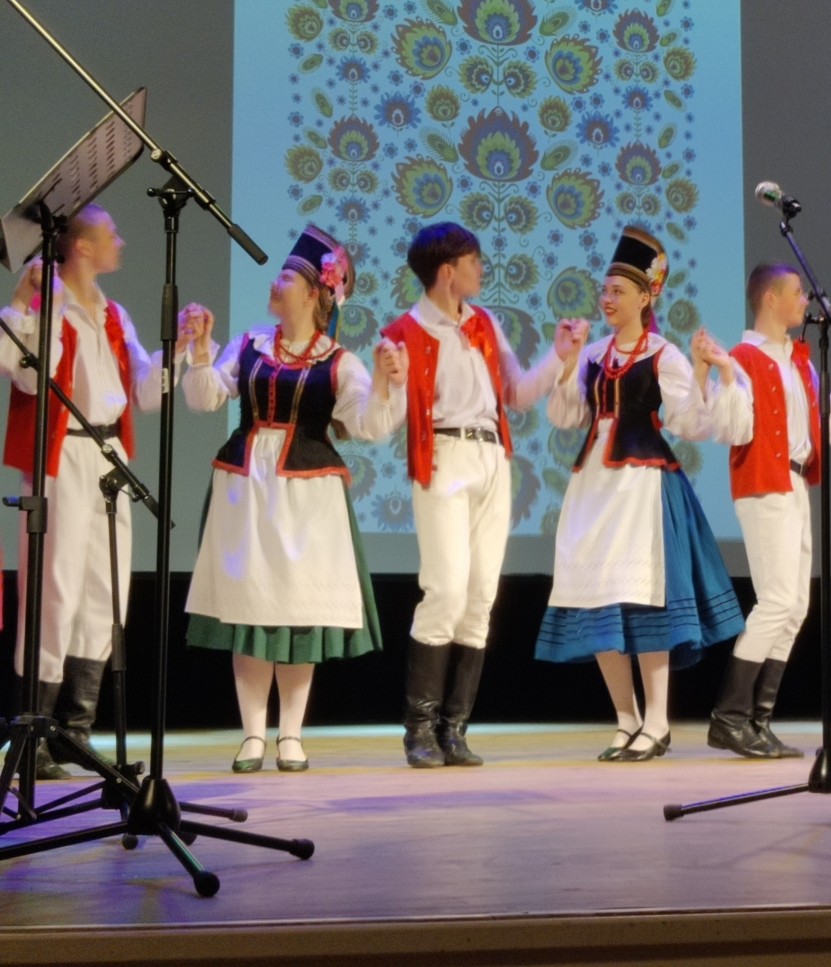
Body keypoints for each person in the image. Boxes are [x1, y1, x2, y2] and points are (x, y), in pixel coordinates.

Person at [178, 226, 407, 772]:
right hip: (246, 490)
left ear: (312, 293)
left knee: (298, 612)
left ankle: (290, 734)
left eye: (286, 276)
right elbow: (204, 398)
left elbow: (370, 425)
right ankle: (252, 735)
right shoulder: (250, 344)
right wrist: (200, 350)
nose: (275, 283)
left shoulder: (340, 361)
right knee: (249, 607)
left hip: (307, 499)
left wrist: (386, 382)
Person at [381, 222, 587, 769]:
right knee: (446, 590)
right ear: (447, 271)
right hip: (444, 457)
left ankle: (454, 730)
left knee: (480, 597)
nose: (481, 268)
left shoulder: (484, 323)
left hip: (492, 457)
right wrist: (391, 381)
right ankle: (419, 729)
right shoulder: (404, 332)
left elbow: (515, 393)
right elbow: (391, 412)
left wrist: (559, 356)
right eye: (473, 260)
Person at [535, 226, 743, 762]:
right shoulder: (593, 353)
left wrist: (701, 371)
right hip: (593, 485)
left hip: (642, 485)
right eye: (604, 291)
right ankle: (625, 719)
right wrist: (565, 361)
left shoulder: (664, 354)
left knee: (643, 599)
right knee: (597, 598)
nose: (607, 299)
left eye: (618, 291)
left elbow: (690, 424)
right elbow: (565, 416)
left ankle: (658, 721)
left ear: (645, 298)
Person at [691, 261, 831, 758]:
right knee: (776, 600)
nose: (806, 300)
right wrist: (726, 374)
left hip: (794, 482)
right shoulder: (744, 358)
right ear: (770, 299)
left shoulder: (799, 362)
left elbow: (820, 433)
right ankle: (729, 717)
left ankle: (757, 720)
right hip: (763, 485)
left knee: (795, 605)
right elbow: (732, 430)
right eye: (798, 292)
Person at [0, 205, 162, 779]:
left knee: (104, 592)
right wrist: (27, 304)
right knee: (55, 589)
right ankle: (33, 735)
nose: (120, 241)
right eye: (110, 233)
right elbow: (25, 373)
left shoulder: (113, 314)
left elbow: (144, 392)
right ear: (84, 247)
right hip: (62, 454)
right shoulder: (49, 305)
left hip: (108, 453)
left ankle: (75, 731)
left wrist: (181, 351)